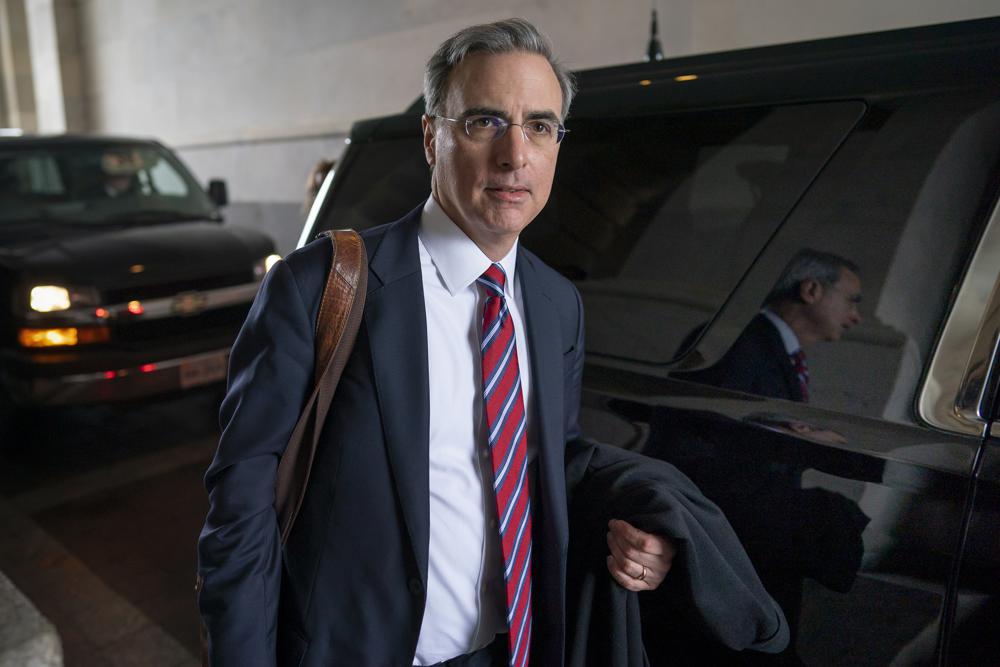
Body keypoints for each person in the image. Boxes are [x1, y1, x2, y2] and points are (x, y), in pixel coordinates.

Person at [198, 19, 786, 667]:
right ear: (431, 137)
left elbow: (547, 459)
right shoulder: (321, 287)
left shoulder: (556, 302)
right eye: (484, 122)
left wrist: (644, 521)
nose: (515, 156)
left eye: (539, 126)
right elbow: (241, 511)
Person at [676, 249, 862, 402]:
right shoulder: (734, 341)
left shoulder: (775, 349)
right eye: (851, 301)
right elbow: (707, 429)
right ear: (811, 290)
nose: (856, 317)